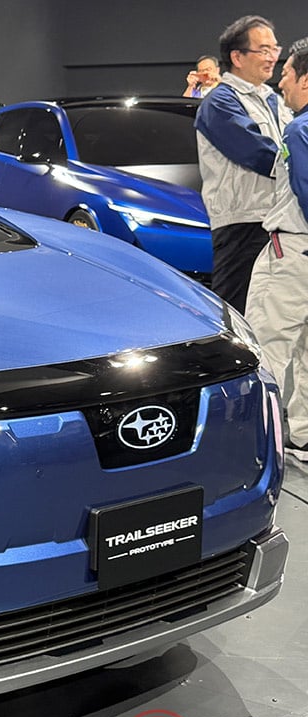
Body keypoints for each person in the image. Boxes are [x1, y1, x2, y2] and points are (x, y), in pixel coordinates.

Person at [194, 16, 292, 313]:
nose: (272, 57)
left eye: (275, 49)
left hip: (278, 220)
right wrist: (299, 163)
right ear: (237, 57)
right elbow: (258, 153)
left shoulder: (274, 99)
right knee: (238, 308)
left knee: (277, 311)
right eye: (263, 50)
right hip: (243, 223)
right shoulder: (219, 102)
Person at [245, 37, 308, 461]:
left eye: (286, 73)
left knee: (263, 351)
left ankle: (253, 446)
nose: (280, 82)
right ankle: (303, 436)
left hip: (292, 251)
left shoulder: (299, 129)